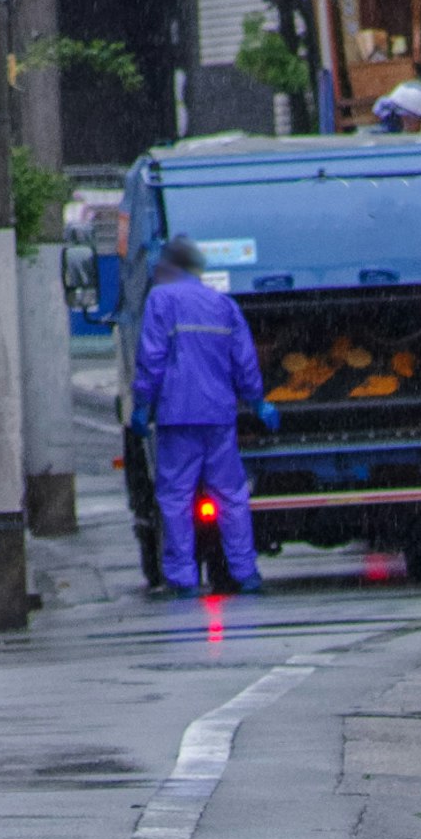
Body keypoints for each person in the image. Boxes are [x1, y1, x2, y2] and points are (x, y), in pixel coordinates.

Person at [131, 238, 268, 593]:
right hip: (219, 415)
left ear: (170, 267)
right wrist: (258, 402)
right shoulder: (223, 304)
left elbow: (152, 358)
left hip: (177, 415)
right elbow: (244, 360)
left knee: (176, 497)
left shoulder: (161, 300)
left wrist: (142, 405)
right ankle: (245, 571)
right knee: (231, 495)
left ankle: (183, 576)